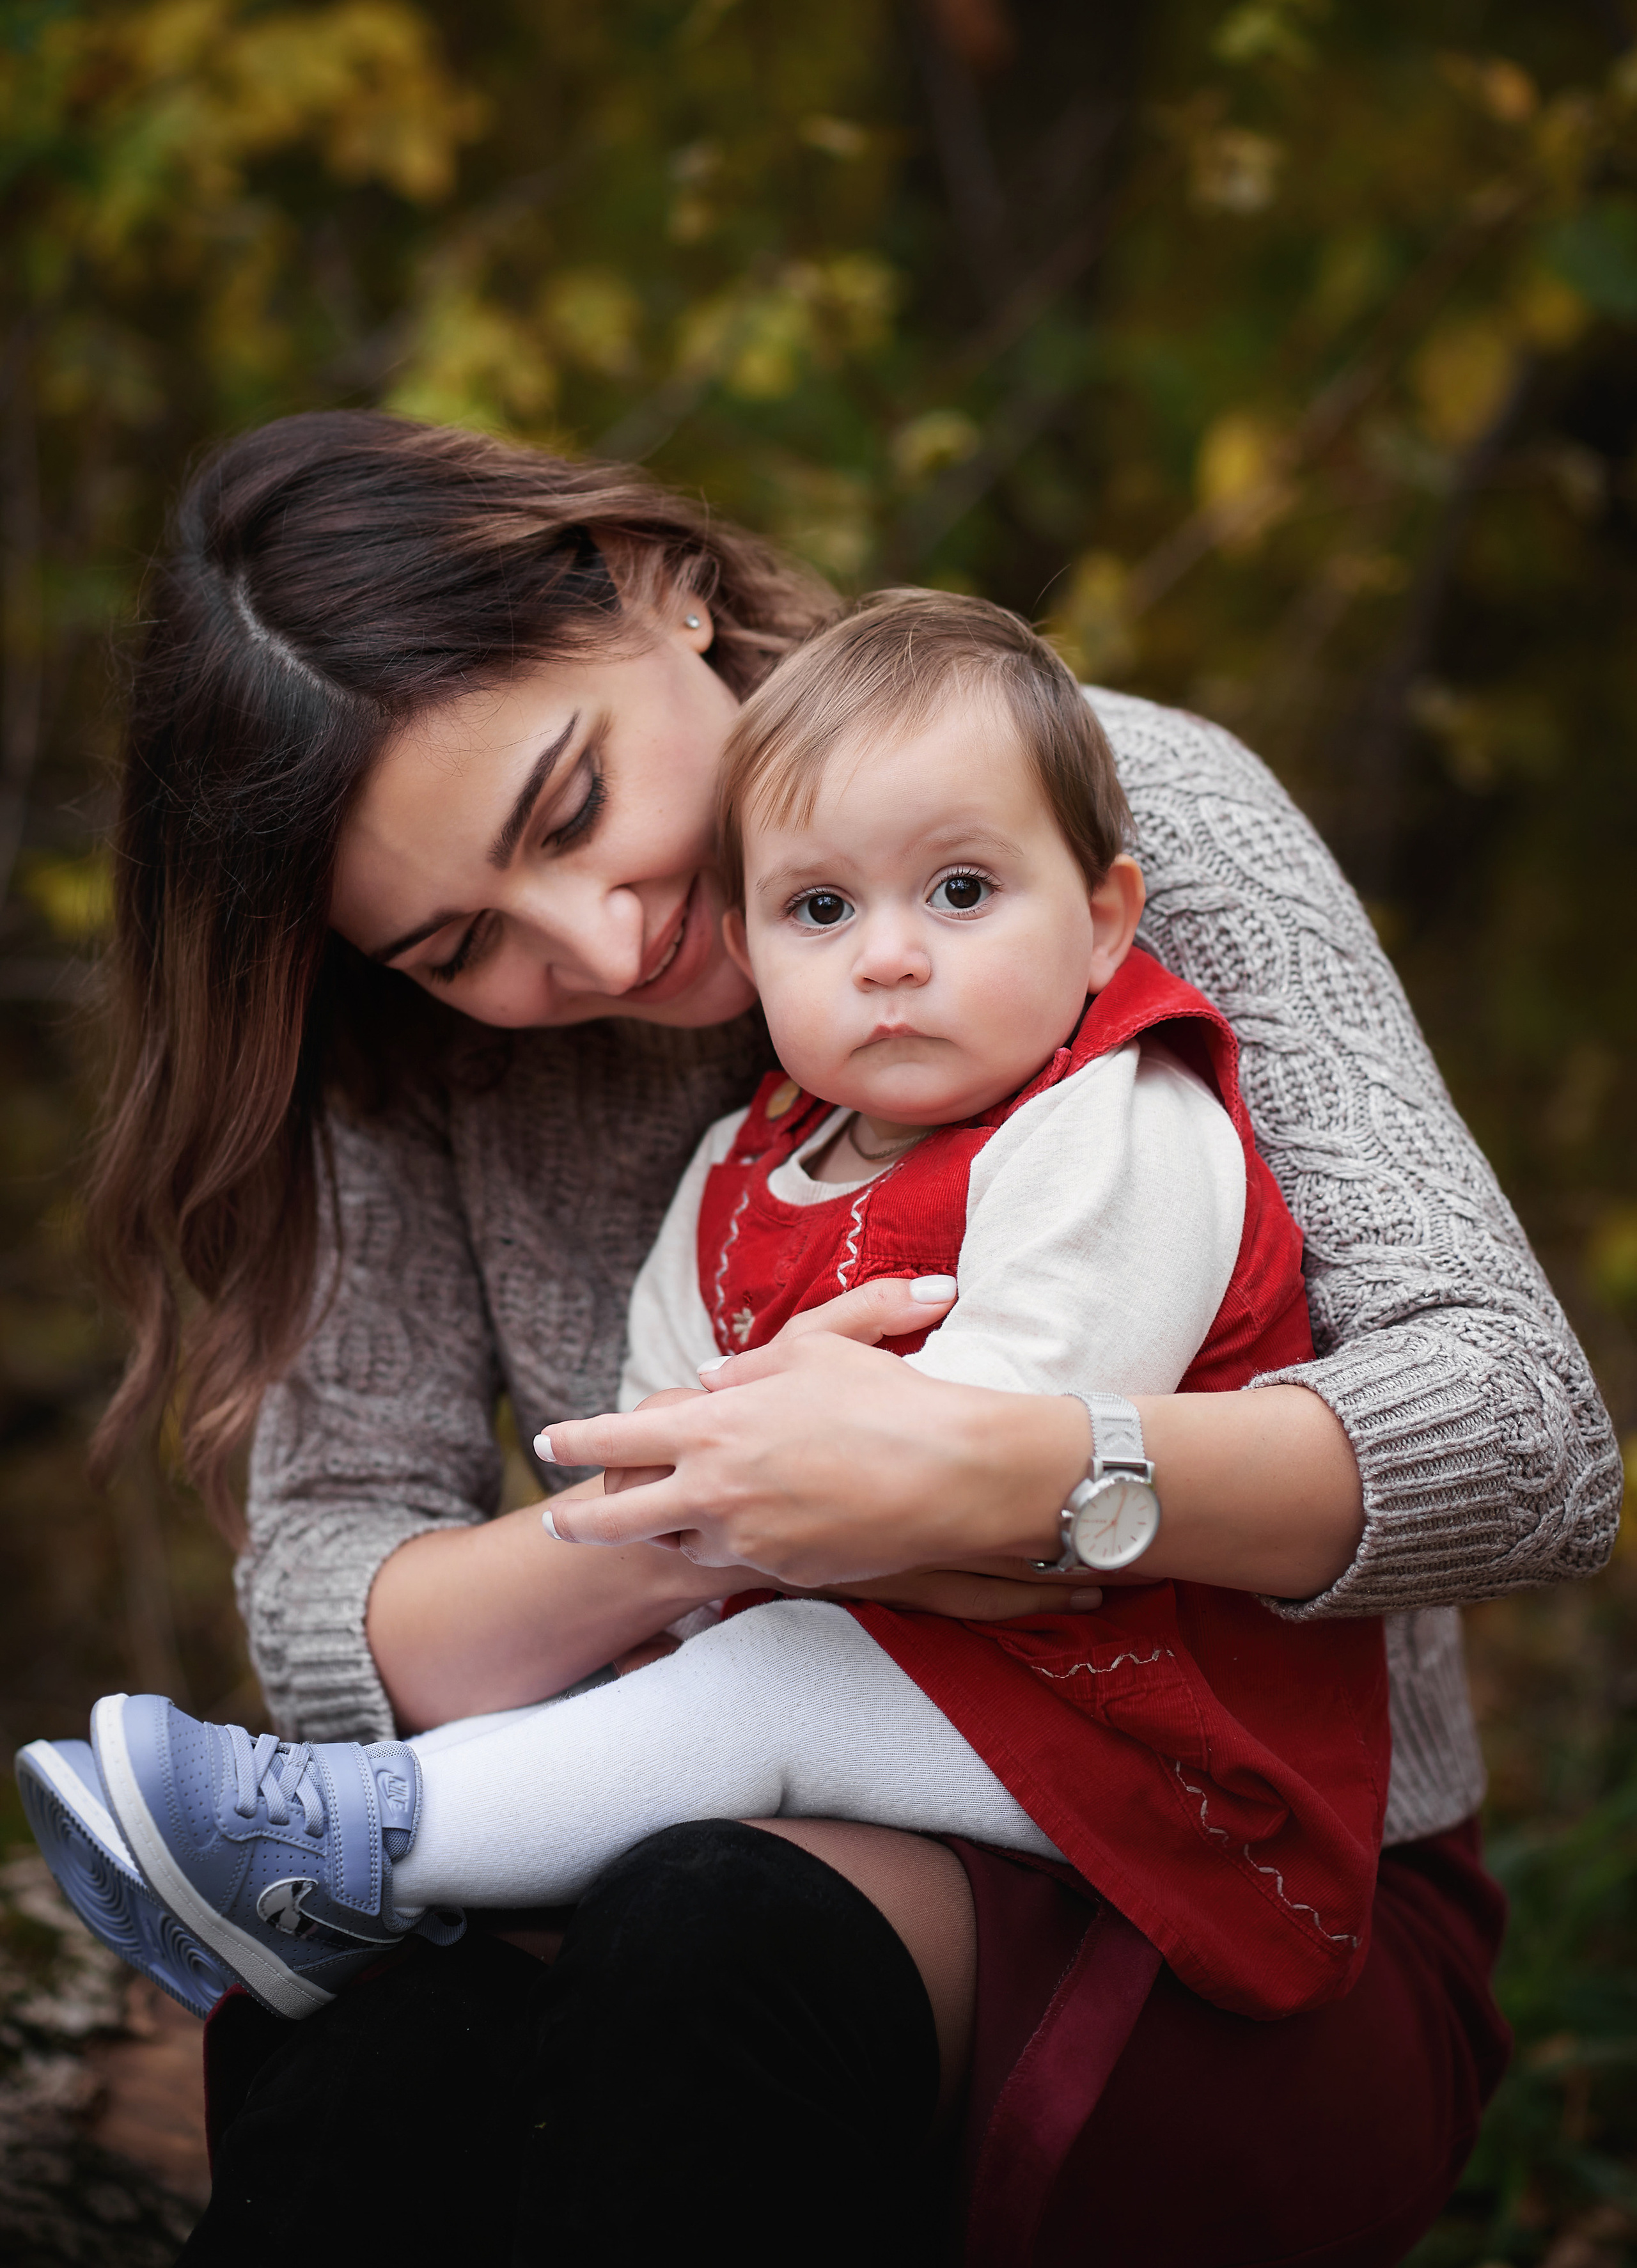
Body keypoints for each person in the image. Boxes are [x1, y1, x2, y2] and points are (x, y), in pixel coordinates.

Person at [11, 411, 1620, 2263]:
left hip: (1244, 1896)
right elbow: (332, 1604)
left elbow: (1524, 1435)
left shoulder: (1092, 811)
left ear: (661, 588)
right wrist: (722, 1506)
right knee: (371, 2022)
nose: (592, 948)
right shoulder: (424, 1065)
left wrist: (999, 1470)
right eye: (463, 941)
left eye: (570, 809)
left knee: (712, 1936)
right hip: (705, 1817)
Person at [64, 593, 1388, 2034]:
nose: (886, 955)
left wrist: (773, 1505)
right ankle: (340, 1887)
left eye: (958, 895)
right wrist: (715, 1501)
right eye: (821, 911)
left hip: (1154, 1734)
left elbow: (1001, 1429)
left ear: (1103, 920)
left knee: (768, 1692)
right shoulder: (749, 1165)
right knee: (448, 2007)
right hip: (885, 1706)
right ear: (765, 953)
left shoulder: (1110, 1115)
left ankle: (356, 1841)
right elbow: (647, 1437)